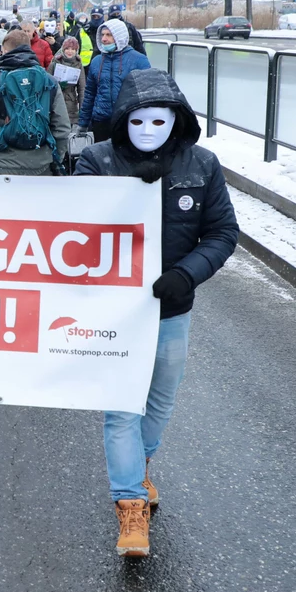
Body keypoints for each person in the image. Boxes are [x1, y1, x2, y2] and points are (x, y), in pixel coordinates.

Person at [75, 68, 239, 557]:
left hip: (171, 308)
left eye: (159, 122)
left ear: (177, 120)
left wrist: (186, 274)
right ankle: (130, 506)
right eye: (138, 122)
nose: (148, 132)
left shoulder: (203, 166)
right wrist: (119, 193)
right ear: (123, 120)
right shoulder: (95, 160)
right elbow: (69, 229)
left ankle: (139, 467)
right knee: (122, 407)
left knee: (160, 401)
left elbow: (223, 233)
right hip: (114, 314)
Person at [0, 29, 70, 176]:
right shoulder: (49, 82)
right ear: (29, 48)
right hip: (41, 167)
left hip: (4, 166)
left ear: (4, 51)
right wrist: (55, 158)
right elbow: (62, 128)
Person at [78, 18, 152, 144]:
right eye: (102, 35)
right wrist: (83, 123)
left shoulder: (139, 60)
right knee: (102, 160)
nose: (104, 39)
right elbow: (90, 94)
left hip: (128, 121)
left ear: (119, 36)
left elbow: (148, 94)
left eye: (109, 35)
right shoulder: (96, 61)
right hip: (101, 121)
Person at [48, 36, 86, 131]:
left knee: (70, 129)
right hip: (56, 99)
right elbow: (47, 82)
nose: (70, 51)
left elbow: (82, 88)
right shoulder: (55, 62)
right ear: (63, 49)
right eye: (67, 48)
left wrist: (82, 109)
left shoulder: (79, 64)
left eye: (73, 49)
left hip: (71, 102)